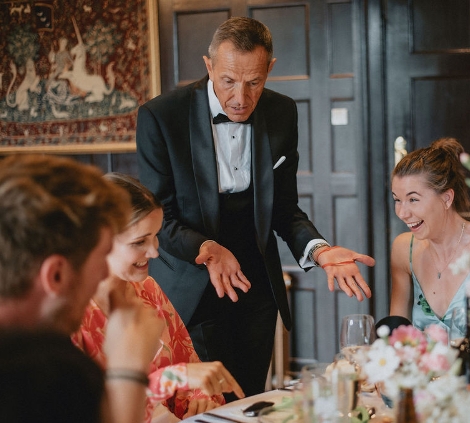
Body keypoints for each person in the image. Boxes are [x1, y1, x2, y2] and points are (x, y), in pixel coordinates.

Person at [135, 16, 375, 398]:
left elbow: (284, 208)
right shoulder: (162, 117)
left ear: (270, 69)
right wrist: (208, 250)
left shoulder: (282, 112)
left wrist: (321, 249)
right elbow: (159, 216)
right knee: (202, 405)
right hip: (191, 286)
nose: (240, 98)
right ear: (209, 65)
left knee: (248, 399)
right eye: (228, 80)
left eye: (254, 82)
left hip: (255, 292)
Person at [0, 154, 164, 423]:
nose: (103, 274)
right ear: (55, 275)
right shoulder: (44, 371)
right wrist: (127, 371)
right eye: (101, 258)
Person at [73, 172, 245, 422]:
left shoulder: (149, 291)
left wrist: (199, 396)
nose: (154, 252)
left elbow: (189, 370)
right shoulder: (69, 316)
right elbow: (88, 410)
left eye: (155, 236)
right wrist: (170, 379)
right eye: (140, 241)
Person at [389, 137, 470, 340]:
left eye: (413, 199)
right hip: (420, 372)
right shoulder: (403, 250)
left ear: (446, 198)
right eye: (397, 200)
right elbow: (395, 339)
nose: (402, 212)